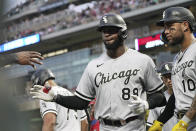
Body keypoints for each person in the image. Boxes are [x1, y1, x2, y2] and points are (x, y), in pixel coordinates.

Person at [30, 13, 166, 131]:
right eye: (104, 31)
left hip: (134, 126)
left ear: (123, 32)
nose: (106, 34)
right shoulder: (93, 66)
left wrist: (147, 104)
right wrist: (55, 98)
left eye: (111, 30)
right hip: (104, 127)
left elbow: (160, 96)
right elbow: (81, 102)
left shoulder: (142, 60)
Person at [150, 6, 196, 131]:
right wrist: (160, 121)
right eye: (165, 27)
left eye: (170, 26)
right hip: (185, 122)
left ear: (185, 25)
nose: (165, 31)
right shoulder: (177, 59)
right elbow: (177, 95)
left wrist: (185, 120)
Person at [147, 62, 174, 131]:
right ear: (162, 79)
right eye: (166, 77)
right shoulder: (159, 100)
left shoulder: (186, 96)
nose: (168, 80)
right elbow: (150, 124)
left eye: (170, 76)